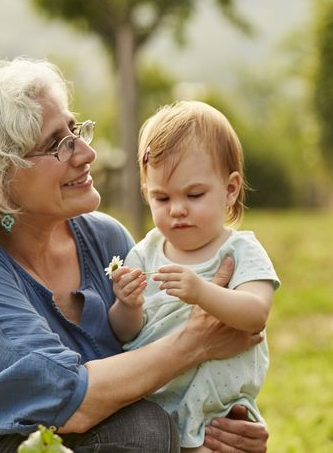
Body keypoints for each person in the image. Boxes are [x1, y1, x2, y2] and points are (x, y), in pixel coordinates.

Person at [0, 59, 269, 453]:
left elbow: (147, 364)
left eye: (76, 131)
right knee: (138, 432)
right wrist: (195, 343)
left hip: (49, 440)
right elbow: (71, 401)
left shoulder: (105, 240)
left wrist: (220, 424)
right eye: (57, 145)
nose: (86, 154)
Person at [110, 100, 278, 453]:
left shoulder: (240, 251)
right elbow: (127, 333)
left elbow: (254, 314)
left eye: (194, 194)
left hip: (218, 409)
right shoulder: (144, 253)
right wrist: (127, 304)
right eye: (161, 197)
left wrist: (202, 291)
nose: (177, 209)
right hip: (157, 405)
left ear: (230, 190)